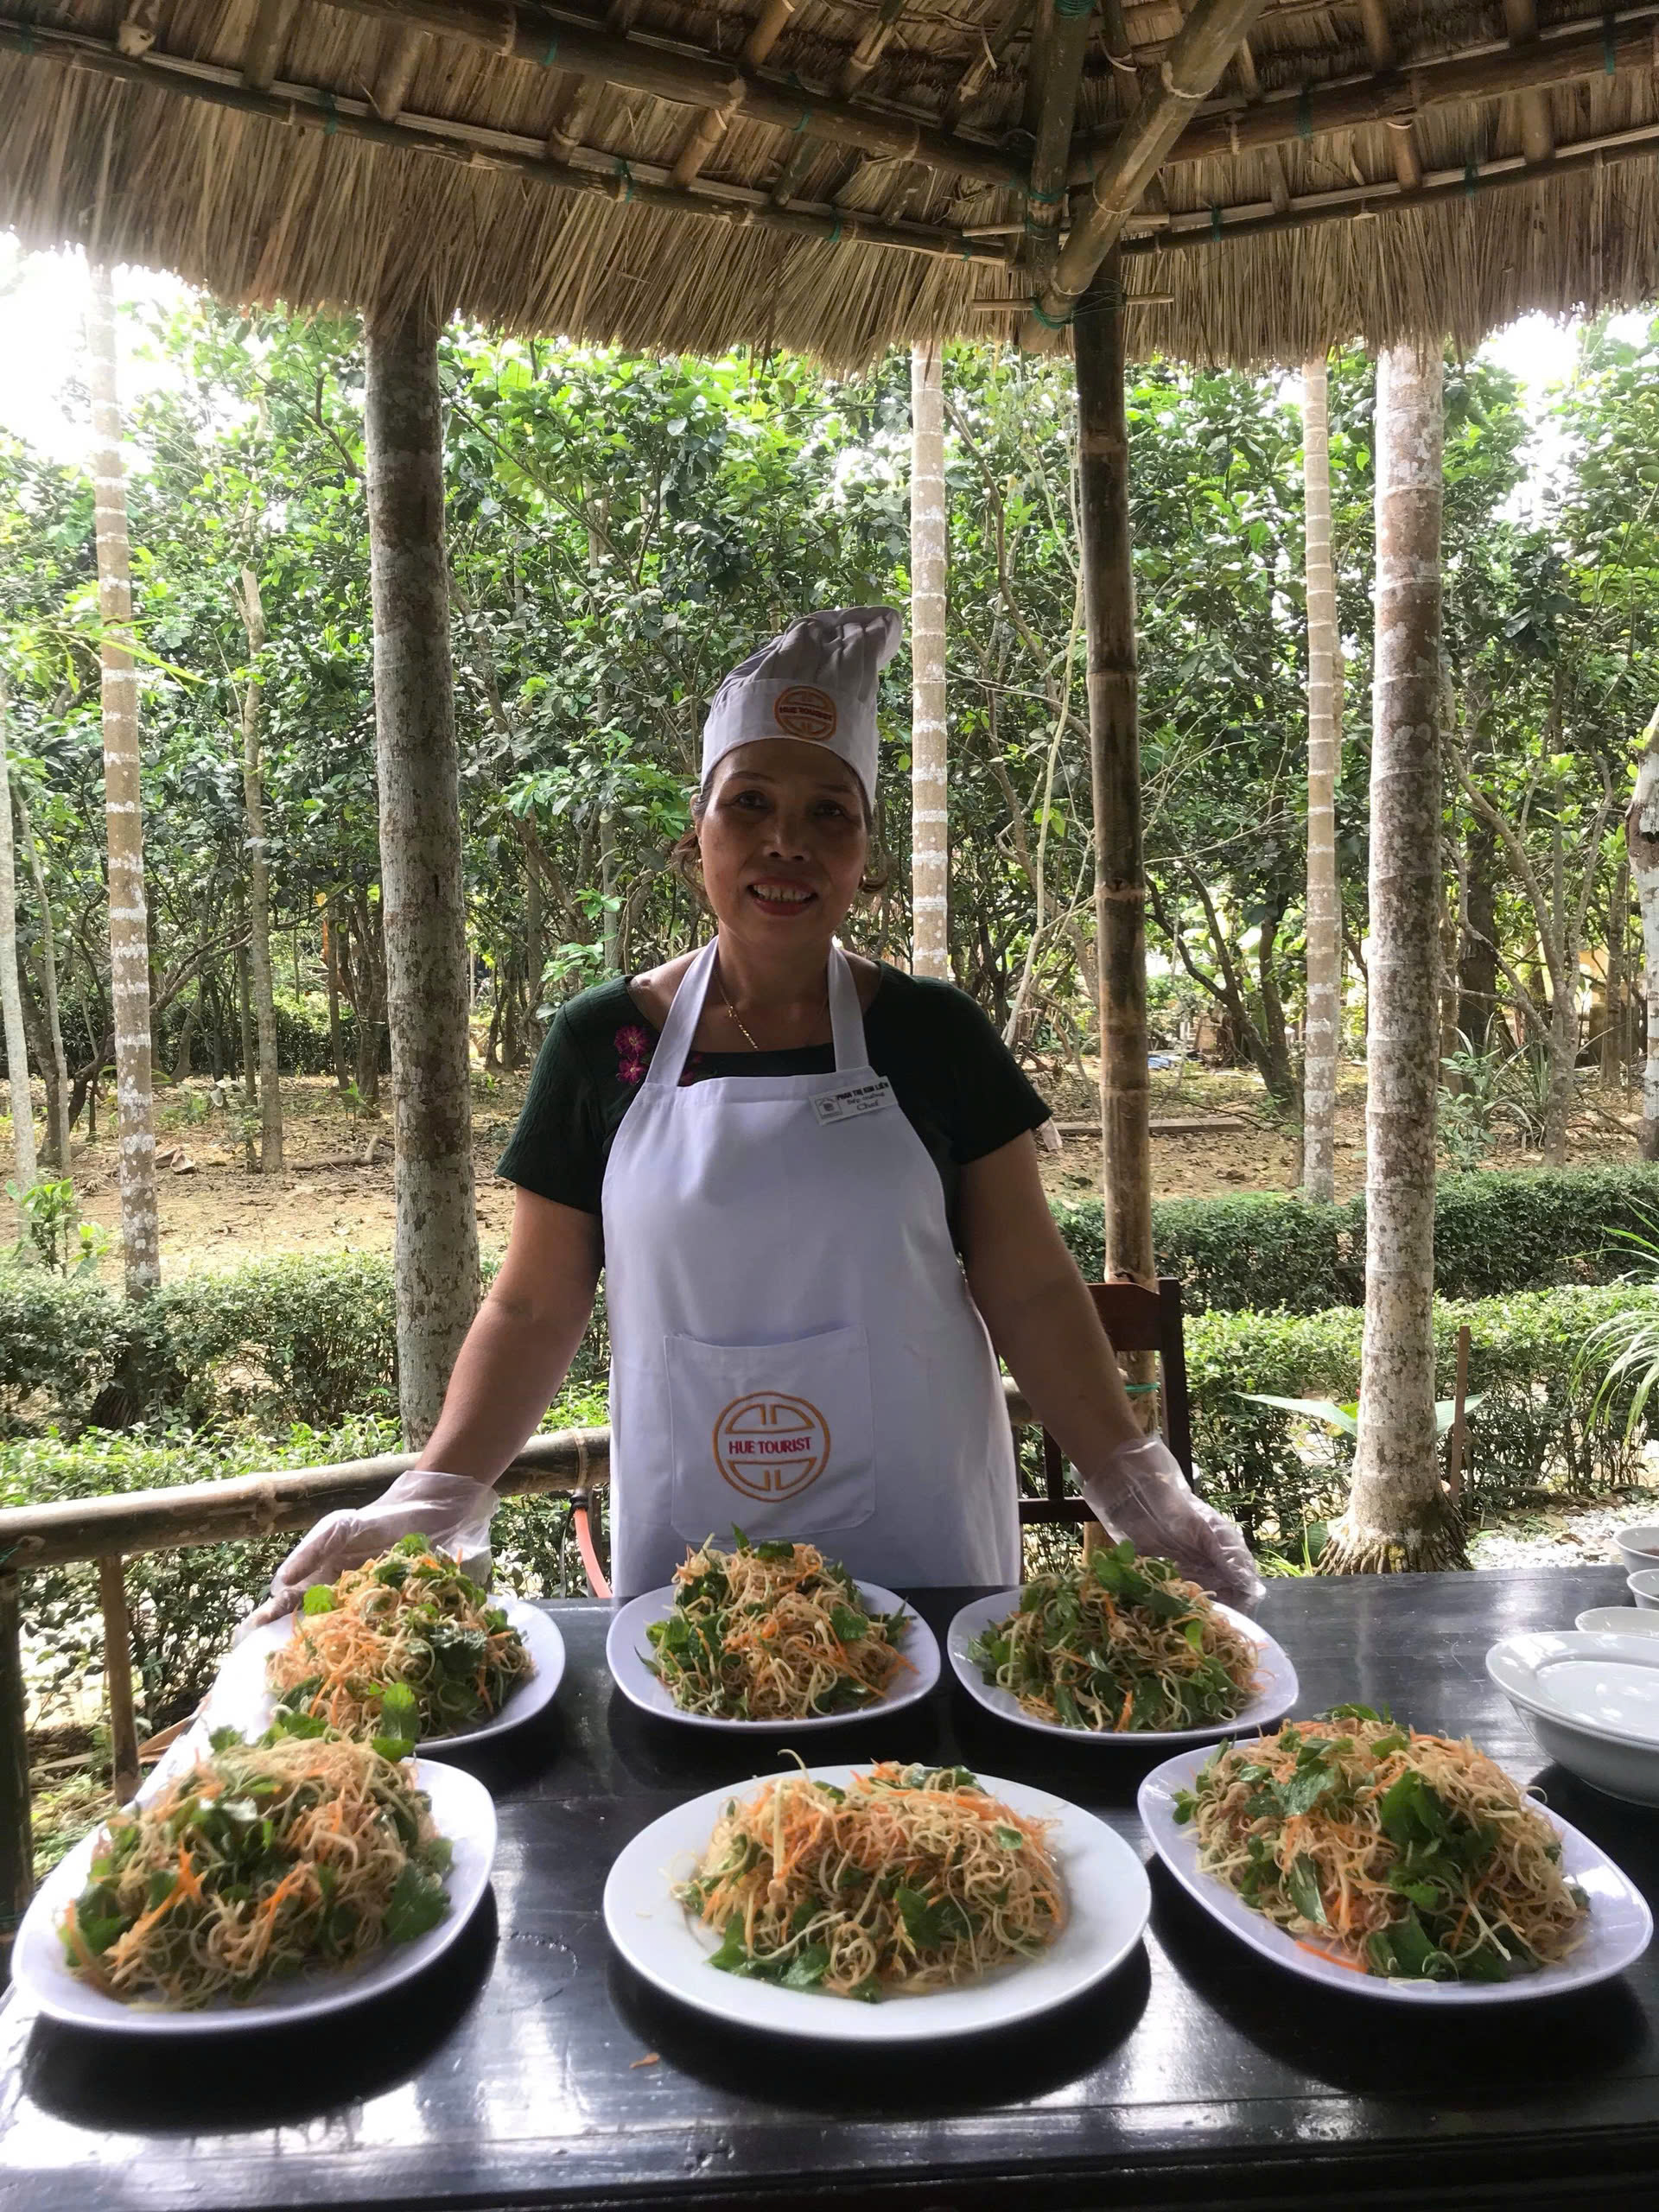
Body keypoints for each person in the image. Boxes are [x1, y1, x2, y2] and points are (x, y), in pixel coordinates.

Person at [248, 608, 1259, 1620]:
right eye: (752, 803)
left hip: (923, 1528)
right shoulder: (604, 1046)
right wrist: (438, 1489)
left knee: (931, 1781)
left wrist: (1133, 1478)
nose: (788, 842)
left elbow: (1031, 1285)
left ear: (864, 849)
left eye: (831, 813)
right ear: (699, 835)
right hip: (697, 1537)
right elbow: (532, 1305)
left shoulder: (934, 1035)